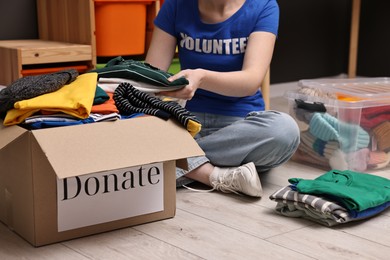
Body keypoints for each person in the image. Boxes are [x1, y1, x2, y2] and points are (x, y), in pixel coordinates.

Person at [145, 0, 300, 197]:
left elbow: (250, 81)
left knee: (284, 130)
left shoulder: (264, 6)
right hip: (185, 121)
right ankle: (215, 175)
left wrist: (201, 78)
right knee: (130, 131)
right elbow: (151, 77)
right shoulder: (176, 5)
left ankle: (180, 162)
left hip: (240, 129)